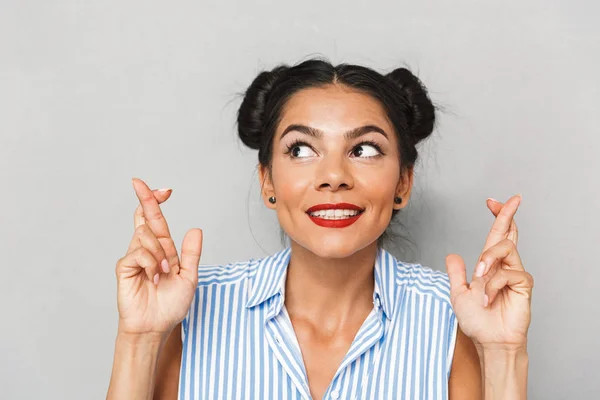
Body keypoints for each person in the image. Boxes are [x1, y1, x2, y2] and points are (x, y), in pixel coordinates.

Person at [106, 59, 533, 400]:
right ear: (268, 182)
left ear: (403, 183)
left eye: (364, 149)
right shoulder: (189, 311)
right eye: (301, 149)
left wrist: (503, 353)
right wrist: (140, 338)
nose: (333, 176)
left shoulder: (451, 319)